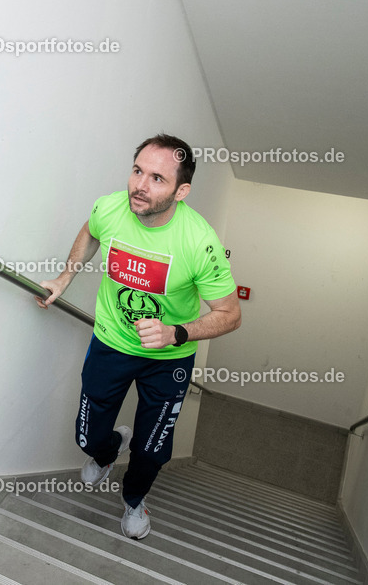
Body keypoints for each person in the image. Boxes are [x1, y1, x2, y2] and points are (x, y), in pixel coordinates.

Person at [35, 134, 241, 540]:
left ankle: (133, 500)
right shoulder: (111, 207)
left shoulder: (200, 243)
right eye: (137, 171)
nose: (140, 186)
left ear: (181, 191)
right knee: (87, 436)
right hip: (111, 343)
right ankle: (111, 447)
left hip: (168, 360)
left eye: (157, 179)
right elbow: (91, 231)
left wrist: (176, 332)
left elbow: (230, 315)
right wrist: (65, 277)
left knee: (151, 451)